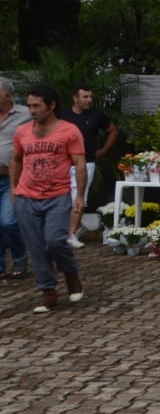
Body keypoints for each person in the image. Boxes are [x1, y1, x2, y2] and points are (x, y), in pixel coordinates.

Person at [10, 85, 87, 313]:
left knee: (54, 240)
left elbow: (80, 164)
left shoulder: (69, 131)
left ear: (51, 105)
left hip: (57, 196)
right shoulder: (22, 132)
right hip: (27, 197)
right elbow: (16, 159)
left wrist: (80, 195)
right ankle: (48, 291)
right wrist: (14, 188)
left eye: (37, 106)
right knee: (35, 247)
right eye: (29, 105)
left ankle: (70, 272)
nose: (31, 110)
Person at [60, 84, 119, 248]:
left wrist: (104, 149)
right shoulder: (62, 115)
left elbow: (113, 130)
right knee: (62, 198)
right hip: (63, 162)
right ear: (75, 98)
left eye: (90, 97)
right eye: (85, 97)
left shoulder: (97, 116)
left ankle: (70, 234)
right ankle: (72, 229)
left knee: (79, 197)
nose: (89, 100)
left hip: (87, 163)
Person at [0, 77, 32, 280]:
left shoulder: (26, 114)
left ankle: (20, 257)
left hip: (10, 178)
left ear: (7, 95)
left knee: (8, 222)